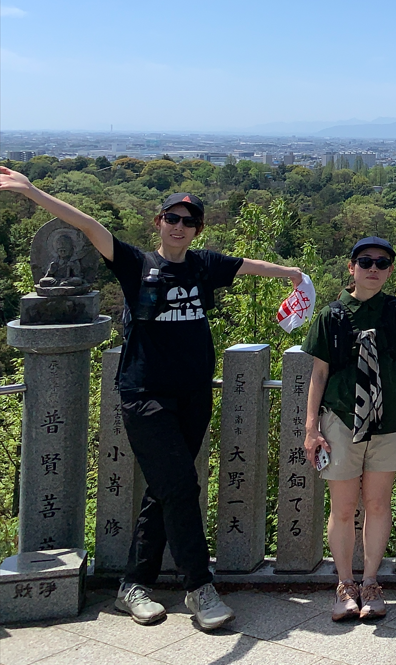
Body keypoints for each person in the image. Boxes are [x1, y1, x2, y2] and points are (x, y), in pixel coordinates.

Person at [0, 166, 304, 631]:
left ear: (197, 229)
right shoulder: (134, 263)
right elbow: (86, 224)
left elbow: (250, 266)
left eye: (187, 220)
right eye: (171, 218)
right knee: (181, 486)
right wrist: (31, 190)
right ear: (157, 223)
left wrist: (292, 274)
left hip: (193, 395)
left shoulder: (203, 265)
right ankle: (199, 588)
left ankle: (132, 586)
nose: (178, 226)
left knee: (165, 490)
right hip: (144, 395)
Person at [301, 237, 396, 621]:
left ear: (389, 270)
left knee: (378, 503)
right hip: (339, 419)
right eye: (365, 261)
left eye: (382, 263)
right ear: (350, 267)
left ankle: (371, 582)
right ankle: (344, 584)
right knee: (344, 506)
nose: (374, 268)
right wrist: (310, 427)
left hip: (388, 422)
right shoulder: (331, 315)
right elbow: (318, 374)